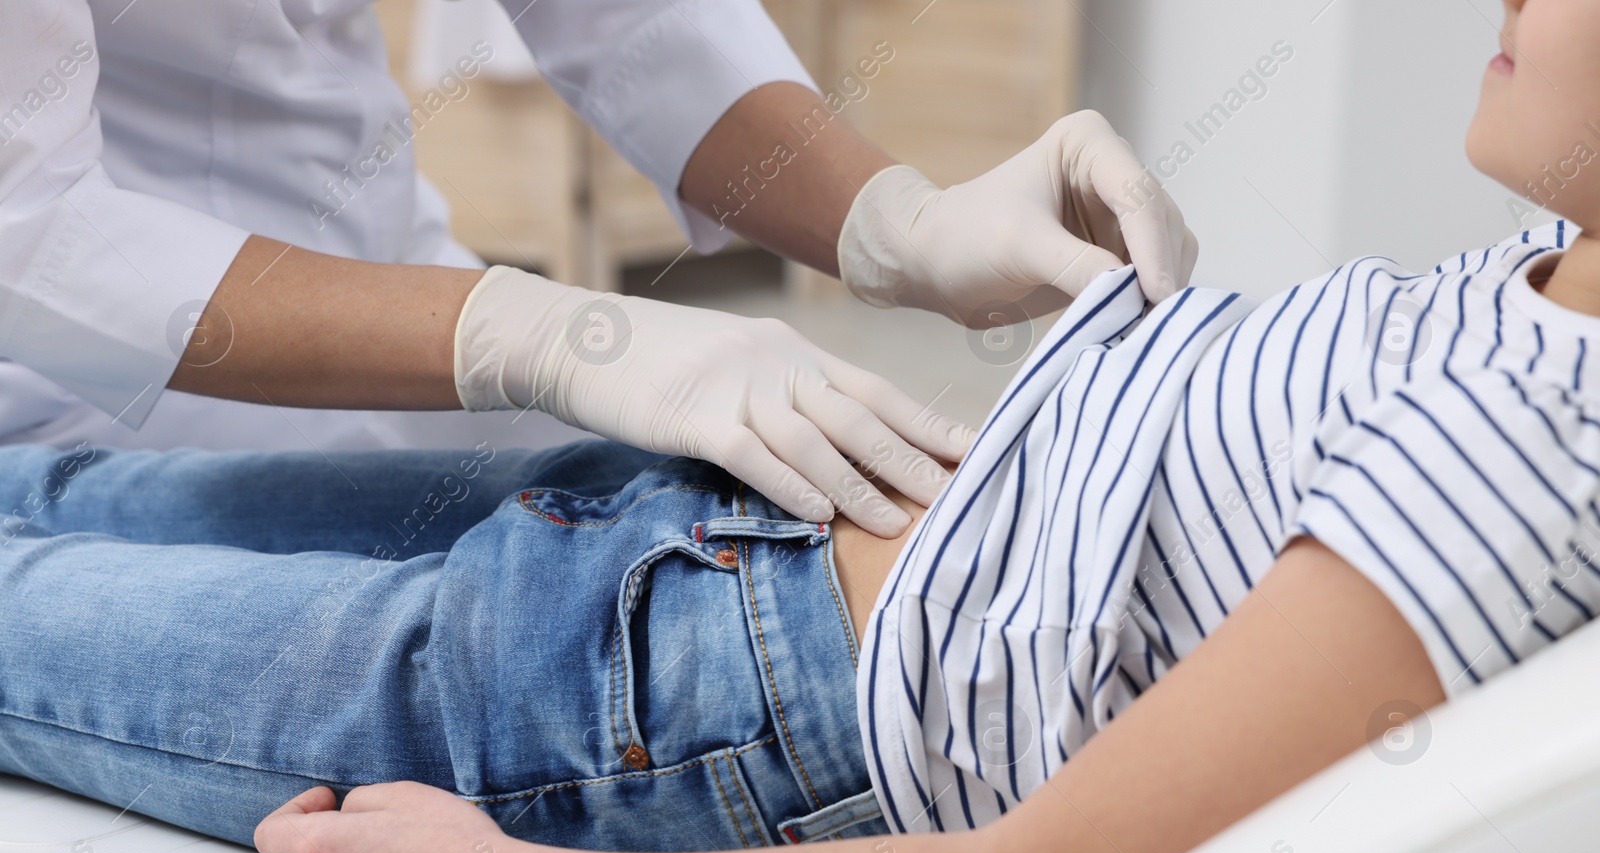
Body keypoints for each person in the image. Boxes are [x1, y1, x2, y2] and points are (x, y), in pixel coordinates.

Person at [0, 0, 1583, 853]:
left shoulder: (1542, 435)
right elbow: (29, 233)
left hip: (671, 697)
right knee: (59, 498)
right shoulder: (1524, 290)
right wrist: (536, 333)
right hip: (680, 551)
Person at [0, 0, 1195, 534]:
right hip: (104, 410)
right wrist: (527, 333)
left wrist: (897, 223)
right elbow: (28, 253)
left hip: (378, 258)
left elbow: (622, 17)